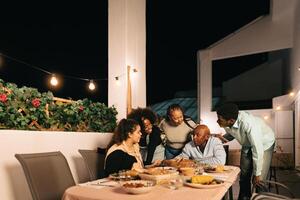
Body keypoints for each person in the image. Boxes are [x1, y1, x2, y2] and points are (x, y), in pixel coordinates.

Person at [216, 103, 275, 200]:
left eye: (220, 119)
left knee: (259, 180)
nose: (217, 121)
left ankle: (261, 198)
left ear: (231, 121)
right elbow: (232, 132)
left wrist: (257, 173)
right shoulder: (229, 122)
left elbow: (257, 149)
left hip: (264, 144)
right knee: (244, 177)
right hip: (247, 144)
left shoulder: (248, 124)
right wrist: (222, 138)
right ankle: (244, 198)